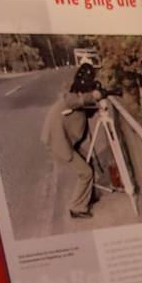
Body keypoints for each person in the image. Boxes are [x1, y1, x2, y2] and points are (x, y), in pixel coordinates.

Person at [40, 64, 103, 221]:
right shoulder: (71, 96)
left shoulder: (77, 95)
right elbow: (75, 102)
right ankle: (77, 208)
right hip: (58, 142)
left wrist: (98, 100)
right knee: (85, 172)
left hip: (63, 139)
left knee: (89, 162)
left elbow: (84, 111)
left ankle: (88, 196)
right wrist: (94, 96)